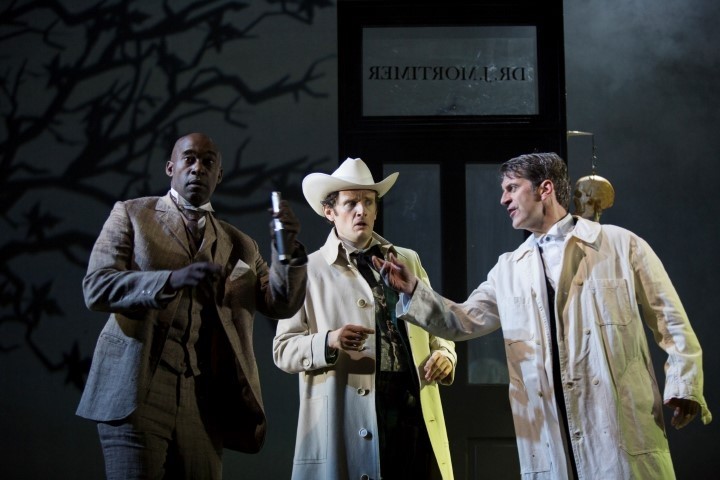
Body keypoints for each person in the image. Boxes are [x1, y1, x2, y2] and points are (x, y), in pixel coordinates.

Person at [375, 152, 712, 479]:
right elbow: (462, 320)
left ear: (545, 189)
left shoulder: (620, 245)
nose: (503, 199)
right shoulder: (509, 268)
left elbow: (669, 317)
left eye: (511, 188)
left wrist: (684, 383)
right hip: (550, 427)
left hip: (614, 419)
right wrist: (413, 290)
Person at [78, 132, 308, 479]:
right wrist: (170, 280)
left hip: (204, 400)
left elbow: (280, 304)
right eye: (189, 159)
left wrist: (286, 249)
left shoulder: (239, 243)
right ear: (171, 167)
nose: (198, 168)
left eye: (208, 162)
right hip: (137, 390)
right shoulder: (133, 215)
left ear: (220, 175)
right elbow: (97, 287)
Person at [273, 158, 457, 480]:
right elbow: (283, 349)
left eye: (368, 202)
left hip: (410, 400)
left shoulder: (406, 259)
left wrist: (445, 353)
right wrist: (328, 341)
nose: (361, 210)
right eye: (351, 203)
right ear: (330, 212)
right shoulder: (310, 269)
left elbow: (437, 320)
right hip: (348, 406)